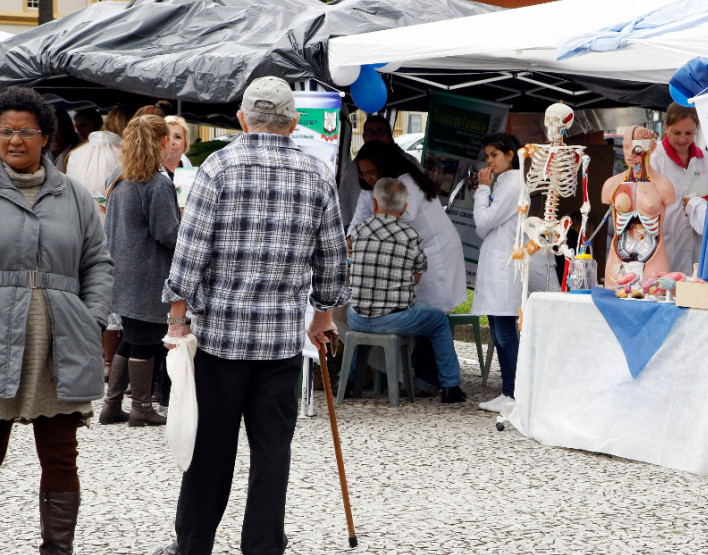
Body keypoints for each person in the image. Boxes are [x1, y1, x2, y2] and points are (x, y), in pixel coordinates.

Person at [154, 76, 348, 555]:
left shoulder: (217, 167)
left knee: (210, 449)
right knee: (272, 451)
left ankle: (193, 544)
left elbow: (190, 252)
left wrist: (177, 319)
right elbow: (332, 257)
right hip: (281, 343)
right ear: (293, 123)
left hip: (220, 339)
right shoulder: (316, 173)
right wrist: (322, 316)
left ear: (242, 119)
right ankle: (263, 545)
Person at [0, 87, 114, 554]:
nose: (15, 139)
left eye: (26, 131)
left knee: (61, 457)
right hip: (0, 338)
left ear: (46, 137)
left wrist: (92, 318)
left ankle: (57, 550)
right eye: (6, 130)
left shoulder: (75, 195)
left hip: (60, 338)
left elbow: (98, 263)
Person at [347, 177, 467, 404]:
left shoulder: (358, 232)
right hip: (396, 319)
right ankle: (450, 386)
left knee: (361, 322)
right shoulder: (411, 236)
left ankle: (346, 381)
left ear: (374, 204)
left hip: (357, 318)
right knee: (439, 321)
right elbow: (417, 277)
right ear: (403, 209)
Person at [100, 114, 178, 427]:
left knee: (131, 337)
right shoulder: (157, 183)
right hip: (148, 274)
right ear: (162, 142)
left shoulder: (119, 175)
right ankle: (141, 407)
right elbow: (168, 233)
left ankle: (111, 405)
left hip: (120, 269)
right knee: (145, 340)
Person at [472, 133, 558, 413]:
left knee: (506, 334)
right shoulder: (504, 183)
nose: (489, 161)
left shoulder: (512, 185)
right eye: (487, 156)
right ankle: (508, 391)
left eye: (494, 155)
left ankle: (513, 393)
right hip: (497, 264)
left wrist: (482, 190)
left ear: (511, 155)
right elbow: (486, 226)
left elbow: (483, 221)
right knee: (499, 334)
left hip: (505, 266)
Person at [351, 141, 466, 312]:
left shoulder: (407, 182)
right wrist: (351, 238)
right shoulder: (370, 188)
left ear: (384, 165)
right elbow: (359, 218)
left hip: (435, 250)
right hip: (415, 253)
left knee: (435, 312)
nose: (369, 178)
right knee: (418, 311)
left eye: (372, 172)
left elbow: (403, 216)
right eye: (363, 174)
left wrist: (367, 238)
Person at [601, 125, 676, 285]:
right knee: (613, 296)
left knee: (654, 295)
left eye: (637, 148)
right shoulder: (611, 185)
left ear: (652, 147)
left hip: (654, 253)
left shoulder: (663, 186)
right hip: (619, 254)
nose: (630, 153)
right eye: (626, 147)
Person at [650, 103, 708, 274]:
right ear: (666, 126)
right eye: (677, 133)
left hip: (698, 250)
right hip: (666, 248)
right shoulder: (655, 159)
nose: (683, 139)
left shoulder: (705, 159)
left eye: (689, 133)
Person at [339, 115, 420, 229]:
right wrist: (348, 229)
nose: (375, 136)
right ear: (364, 137)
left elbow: (408, 216)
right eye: (370, 132)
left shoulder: (406, 166)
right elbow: (345, 199)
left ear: (389, 136)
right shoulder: (357, 166)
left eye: (380, 132)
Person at [66, 105, 131, 219]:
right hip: (111, 223)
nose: (79, 131)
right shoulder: (126, 154)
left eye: (84, 125)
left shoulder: (75, 154)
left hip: (80, 222)